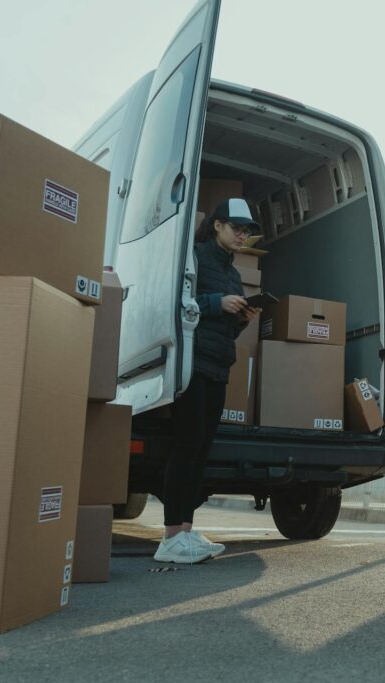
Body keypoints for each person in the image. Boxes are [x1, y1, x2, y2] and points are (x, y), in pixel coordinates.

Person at [153, 197, 262, 564]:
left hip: (218, 365)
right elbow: (175, 301)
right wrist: (218, 303)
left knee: (202, 448)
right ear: (217, 225)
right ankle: (169, 537)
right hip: (191, 362)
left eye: (246, 231)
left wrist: (242, 316)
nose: (242, 235)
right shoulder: (195, 256)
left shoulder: (233, 272)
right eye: (236, 228)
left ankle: (185, 530)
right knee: (186, 444)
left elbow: (224, 328)